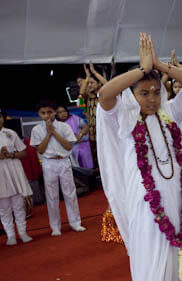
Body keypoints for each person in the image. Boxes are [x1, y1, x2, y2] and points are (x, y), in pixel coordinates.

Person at [96, 33, 182, 281]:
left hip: (178, 207)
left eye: (157, 91)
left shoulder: (171, 114)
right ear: (133, 94)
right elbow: (105, 94)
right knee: (154, 268)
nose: (152, 98)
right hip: (148, 212)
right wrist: (139, 70)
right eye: (144, 92)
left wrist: (158, 66)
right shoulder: (124, 120)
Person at [30, 100, 86, 236]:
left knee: (70, 193)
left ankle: (75, 222)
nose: (47, 115)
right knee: (51, 196)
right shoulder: (36, 130)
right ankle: (55, 226)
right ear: (39, 114)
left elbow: (68, 146)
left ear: (54, 111)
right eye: (43, 113)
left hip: (64, 161)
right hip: (49, 162)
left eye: (49, 112)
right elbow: (41, 150)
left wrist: (54, 132)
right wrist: (48, 133)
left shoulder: (63, 127)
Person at [0, 110, 33, 245]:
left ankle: (22, 232)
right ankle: (10, 235)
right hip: (1, 174)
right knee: (4, 207)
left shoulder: (10, 133)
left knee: (18, 205)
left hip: (14, 170)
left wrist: (11, 155)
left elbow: (24, 153)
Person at [80, 62, 107, 169]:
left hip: (104, 132)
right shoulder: (88, 97)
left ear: (99, 83)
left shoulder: (104, 94)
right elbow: (81, 94)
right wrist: (87, 77)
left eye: (92, 82)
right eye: (88, 83)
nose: (89, 85)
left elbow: (108, 84)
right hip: (92, 134)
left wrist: (95, 73)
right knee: (97, 159)